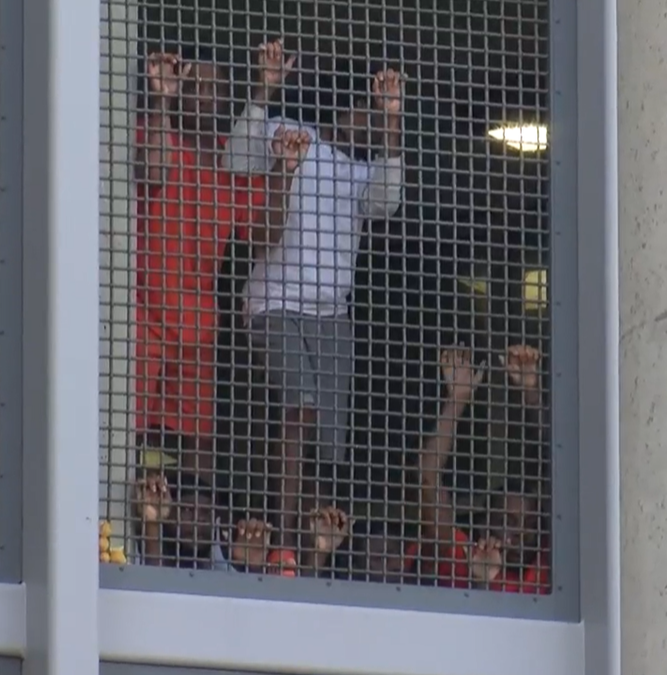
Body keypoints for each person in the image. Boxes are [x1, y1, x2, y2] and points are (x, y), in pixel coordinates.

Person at [222, 39, 406, 550]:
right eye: (368, 108)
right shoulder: (295, 135)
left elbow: (388, 201)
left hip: (333, 318)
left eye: (377, 111)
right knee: (299, 409)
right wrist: (264, 89)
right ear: (342, 104)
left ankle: (310, 551)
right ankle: (281, 536)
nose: (370, 120)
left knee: (327, 445)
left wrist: (394, 119)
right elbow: (235, 158)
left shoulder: (360, 170)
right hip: (276, 305)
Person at [133, 50, 284, 481]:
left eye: (212, 89)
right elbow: (152, 171)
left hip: (197, 319)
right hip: (143, 310)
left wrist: (283, 172)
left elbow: (264, 236)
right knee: (131, 428)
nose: (202, 96)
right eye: (193, 87)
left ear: (225, 100)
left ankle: (192, 533)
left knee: (198, 442)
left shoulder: (230, 159)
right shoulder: (156, 131)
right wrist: (161, 98)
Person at [409, 345, 550, 593]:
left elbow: (560, 466)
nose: (516, 532)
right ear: (484, 522)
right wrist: (457, 399)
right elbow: (427, 475)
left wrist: (531, 392)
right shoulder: (458, 555)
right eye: (505, 520)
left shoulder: (545, 569)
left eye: (528, 523)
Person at [131, 470, 298, 574]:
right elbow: (155, 588)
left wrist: (249, 567)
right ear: (169, 513)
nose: (198, 519)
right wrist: (152, 524)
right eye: (187, 510)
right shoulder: (133, 551)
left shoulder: (218, 566)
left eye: (206, 512)